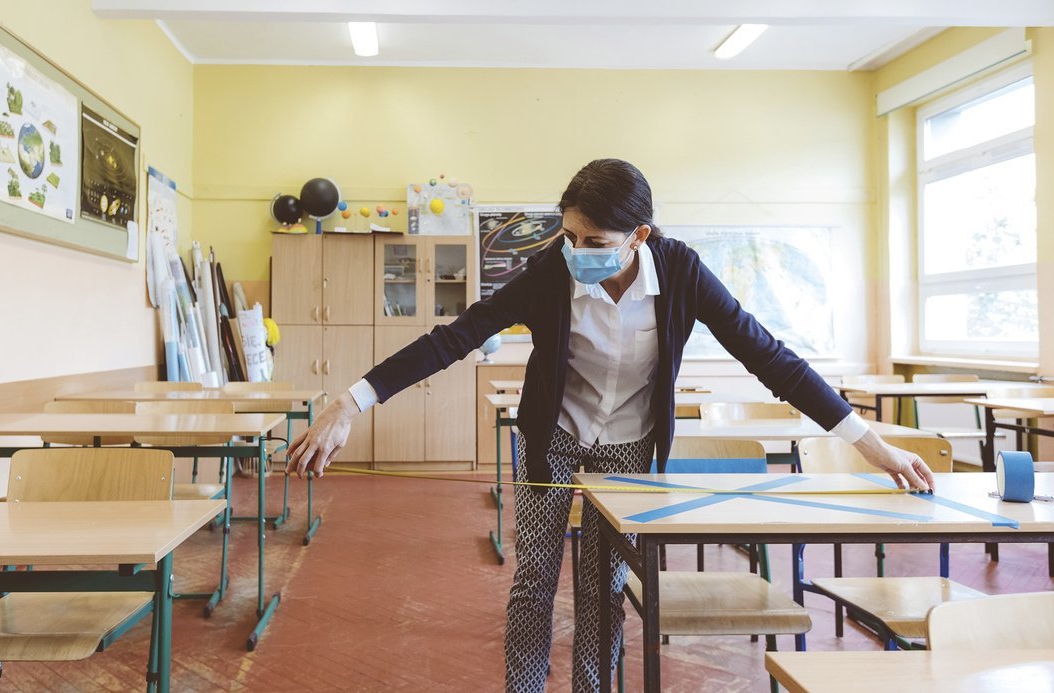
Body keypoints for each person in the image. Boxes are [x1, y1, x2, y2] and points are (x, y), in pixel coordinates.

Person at [287, 159, 935, 692]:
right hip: (551, 442)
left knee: (604, 587)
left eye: (593, 243)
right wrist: (352, 400)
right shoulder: (550, 271)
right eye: (568, 236)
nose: (576, 253)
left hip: (627, 449)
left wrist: (869, 443)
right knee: (536, 577)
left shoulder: (681, 272)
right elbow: (455, 337)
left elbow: (768, 354)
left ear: (639, 237)